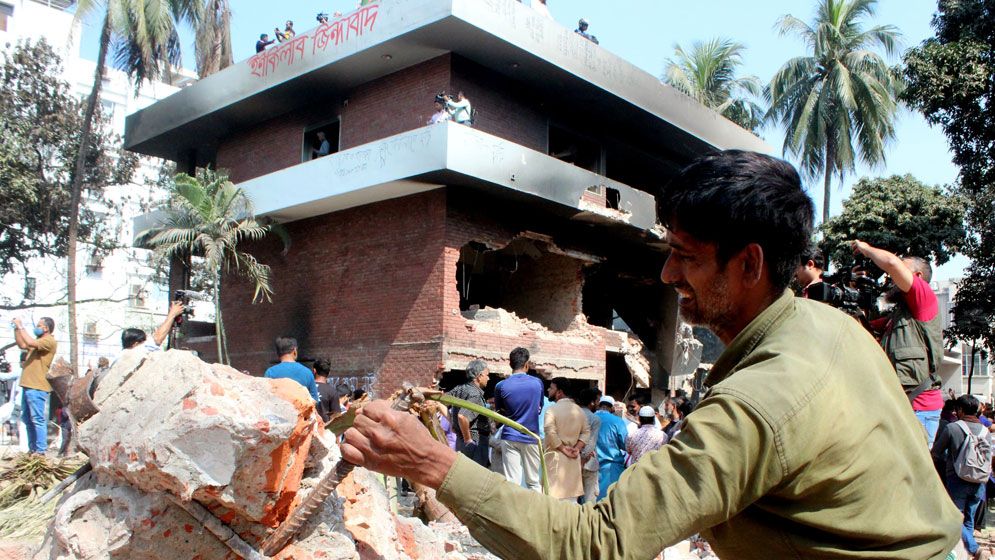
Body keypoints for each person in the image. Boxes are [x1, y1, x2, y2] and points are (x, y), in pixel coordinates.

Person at [341, 150, 962, 559]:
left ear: (748, 264)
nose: (666, 274)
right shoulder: (834, 330)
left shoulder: (758, 404)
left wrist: (433, 465)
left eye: (686, 255)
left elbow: (595, 544)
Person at [853, 240, 945, 446]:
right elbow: (861, 329)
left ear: (918, 277)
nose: (891, 277)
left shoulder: (924, 299)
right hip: (902, 404)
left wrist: (866, 249)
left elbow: (892, 264)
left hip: (919, 407)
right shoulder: (898, 317)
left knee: (911, 475)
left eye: (904, 268)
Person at [931, 394, 992, 559]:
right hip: (979, 481)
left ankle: (974, 550)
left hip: (957, 479)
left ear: (960, 409)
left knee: (955, 517)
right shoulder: (986, 431)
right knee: (969, 519)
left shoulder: (953, 428)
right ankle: (968, 553)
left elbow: (936, 452)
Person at [493, 347, 543, 491]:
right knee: (533, 481)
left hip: (509, 436)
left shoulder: (500, 386)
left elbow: (499, 412)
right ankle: (537, 512)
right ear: (527, 364)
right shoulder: (537, 383)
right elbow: (538, 408)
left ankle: (514, 512)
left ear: (510, 364)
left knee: (512, 482)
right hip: (531, 436)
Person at [12, 317, 57, 455]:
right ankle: (32, 448)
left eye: (39, 325)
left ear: (46, 328)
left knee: (37, 419)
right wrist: (16, 329)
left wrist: (21, 326)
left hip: (37, 387)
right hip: (27, 385)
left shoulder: (49, 341)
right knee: (26, 418)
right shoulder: (38, 342)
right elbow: (23, 345)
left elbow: (30, 341)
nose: (36, 327)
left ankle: (41, 450)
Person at [543, 377, 589, 501]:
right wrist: (577, 448)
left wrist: (563, 448)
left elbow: (550, 433)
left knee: (552, 503)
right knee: (571, 504)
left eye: (551, 388)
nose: (548, 390)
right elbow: (586, 432)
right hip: (573, 461)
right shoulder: (579, 411)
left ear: (559, 392)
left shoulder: (551, 410)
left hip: (555, 460)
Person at [446, 359, 491, 467]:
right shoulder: (475, 394)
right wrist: (468, 439)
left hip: (460, 441)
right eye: (487, 375)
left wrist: (452, 421)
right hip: (474, 442)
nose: (488, 378)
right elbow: (462, 416)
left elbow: (441, 401)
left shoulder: (460, 389)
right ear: (479, 376)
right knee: (476, 477)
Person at [263, 337, 319, 403]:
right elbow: (314, 400)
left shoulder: (270, 372)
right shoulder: (307, 372)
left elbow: (265, 398)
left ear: (278, 353)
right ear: (294, 351)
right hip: (301, 411)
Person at [593, 396, 628, 499]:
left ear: (599, 405)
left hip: (589, 464)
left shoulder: (588, 418)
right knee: (609, 499)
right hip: (611, 467)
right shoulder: (617, 421)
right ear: (612, 408)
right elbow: (625, 443)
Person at [121, 300, 186, 352]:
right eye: (143, 341)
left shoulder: (120, 358)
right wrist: (173, 313)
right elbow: (157, 339)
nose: (146, 342)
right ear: (135, 344)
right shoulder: (135, 351)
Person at [577, 387, 600, 504]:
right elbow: (591, 442)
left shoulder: (573, 415)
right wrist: (583, 458)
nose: (598, 404)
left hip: (571, 461)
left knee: (572, 499)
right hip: (588, 463)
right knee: (589, 501)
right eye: (597, 401)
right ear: (591, 402)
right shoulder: (595, 419)